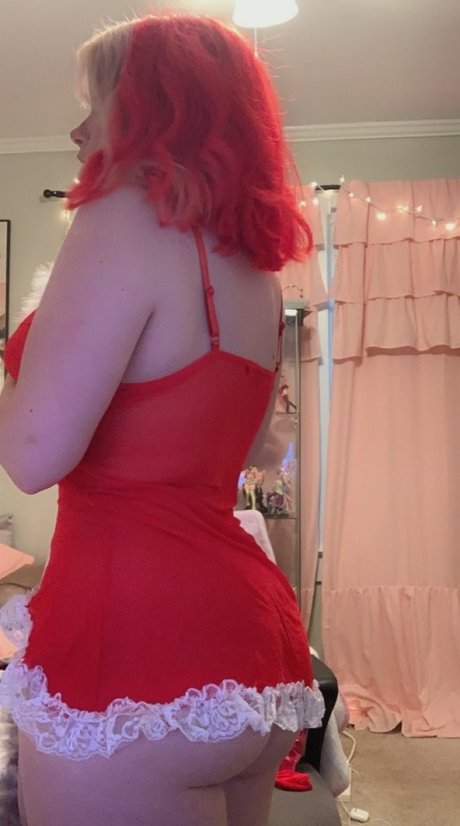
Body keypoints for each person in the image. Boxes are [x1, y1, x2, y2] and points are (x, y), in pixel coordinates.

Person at [0, 14, 324, 826]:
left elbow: (32, 456)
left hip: (131, 644)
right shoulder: (252, 269)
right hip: (249, 645)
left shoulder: (120, 217)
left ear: (157, 110)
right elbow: (250, 449)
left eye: (98, 103)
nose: (78, 130)